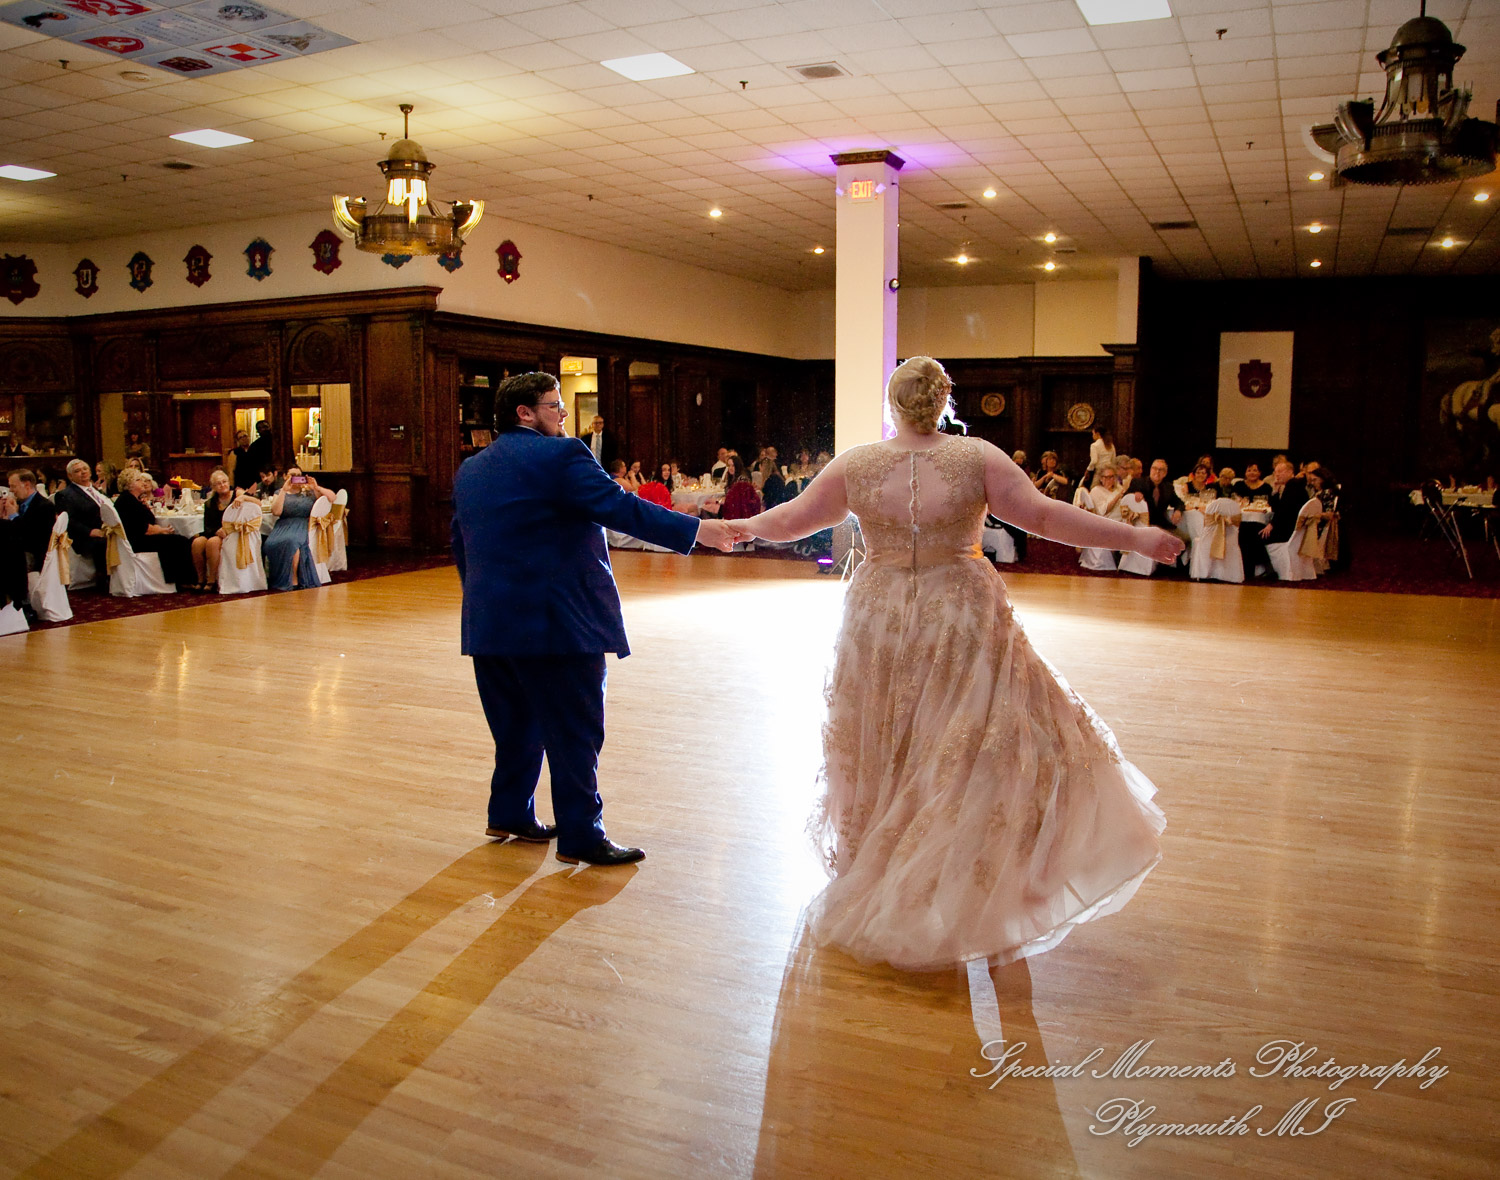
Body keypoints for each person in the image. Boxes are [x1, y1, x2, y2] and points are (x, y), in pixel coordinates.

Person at [728, 357, 1180, 970]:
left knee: (890, 736)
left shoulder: (857, 463)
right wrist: (1137, 538)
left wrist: (734, 528)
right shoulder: (978, 458)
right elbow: (1046, 518)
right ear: (944, 402)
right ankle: (958, 870)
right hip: (958, 609)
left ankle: (900, 864)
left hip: (880, 615)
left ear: (891, 403)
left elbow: (788, 521)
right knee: (966, 738)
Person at [451, 372, 744, 867]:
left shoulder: (472, 469)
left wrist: (482, 602)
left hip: (490, 622)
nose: (564, 416)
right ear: (525, 413)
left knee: (516, 726)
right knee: (575, 731)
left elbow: (462, 544)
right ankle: (581, 835)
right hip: (559, 623)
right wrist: (700, 531)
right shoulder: (560, 456)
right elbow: (620, 508)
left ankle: (509, 813)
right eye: (555, 407)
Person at [115, 469, 200, 587]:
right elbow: (142, 528)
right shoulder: (127, 501)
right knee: (179, 541)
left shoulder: (133, 499)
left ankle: (186, 579)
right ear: (129, 484)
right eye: (138, 480)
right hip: (137, 541)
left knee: (180, 540)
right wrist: (162, 530)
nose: (143, 482)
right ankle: (183, 580)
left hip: (140, 537)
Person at [264, 465, 333, 591]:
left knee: (292, 542)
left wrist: (316, 487)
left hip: (303, 523)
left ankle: (293, 579)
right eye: (292, 475)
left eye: (298, 475)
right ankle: (277, 577)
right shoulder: (279, 492)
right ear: (285, 476)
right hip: (283, 524)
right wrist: (284, 491)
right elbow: (276, 511)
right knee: (270, 544)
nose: (295, 478)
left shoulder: (309, 491)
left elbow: (332, 498)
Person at [192, 468, 249, 591]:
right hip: (215, 532)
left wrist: (243, 497)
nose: (222, 485)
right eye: (219, 483)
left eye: (224, 482)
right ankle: (201, 579)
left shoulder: (237, 496)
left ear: (229, 482)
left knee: (213, 543)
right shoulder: (209, 503)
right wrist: (216, 531)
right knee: (197, 543)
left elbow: (251, 506)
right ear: (213, 487)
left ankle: (212, 580)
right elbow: (206, 526)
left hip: (232, 532)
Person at [55, 459, 109, 584]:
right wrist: (90, 531)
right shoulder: (65, 495)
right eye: (77, 471)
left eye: (85, 469)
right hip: (83, 536)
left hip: (105, 529)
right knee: (102, 543)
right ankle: (105, 578)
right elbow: (69, 521)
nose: (83, 473)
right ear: (70, 476)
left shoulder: (97, 491)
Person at [6, 468, 57, 572]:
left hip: (35, 557)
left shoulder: (44, 506)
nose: (10, 490)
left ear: (27, 485)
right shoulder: (19, 504)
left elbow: (32, 539)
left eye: (13, 486)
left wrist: (14, 517)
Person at [240, 421, 273, 490]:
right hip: (260, 479)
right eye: (261, 428)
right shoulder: (254, 446)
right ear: (258, 431)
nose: (264, 430)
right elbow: (250, 467)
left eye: (266, 427)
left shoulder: (279, 442)